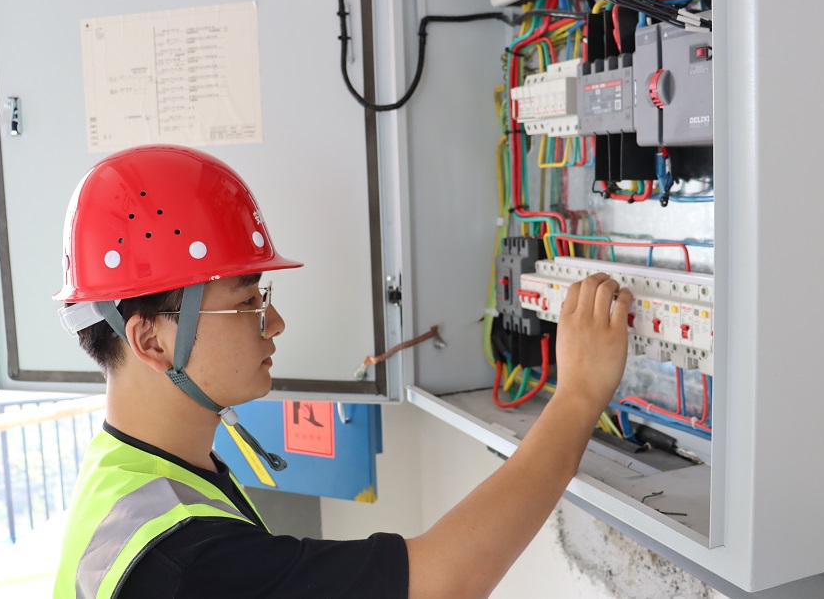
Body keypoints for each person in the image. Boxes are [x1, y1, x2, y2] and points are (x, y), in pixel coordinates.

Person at [52, 144, 633, 599]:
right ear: (150, 339)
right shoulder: (179, 560)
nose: (274, 322)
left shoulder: (131, 478)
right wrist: (579, 395)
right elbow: (440, 583)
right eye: (247, 300)